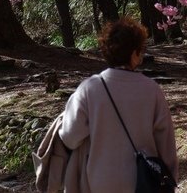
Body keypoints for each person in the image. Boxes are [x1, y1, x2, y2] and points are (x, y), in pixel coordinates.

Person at [58, 17, 177, 192]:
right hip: (143, 181)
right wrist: (170, 178)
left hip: (99, 180)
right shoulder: (152, 90)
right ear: (134, 53)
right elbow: (165, 143)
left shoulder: (88, 89)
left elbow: (70, 136)